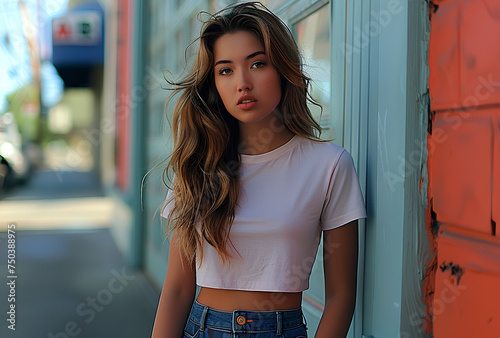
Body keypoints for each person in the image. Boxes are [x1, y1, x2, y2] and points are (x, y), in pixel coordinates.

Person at [151, 2, 366, 337]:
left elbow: (341, 295)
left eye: (257, 64)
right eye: (226, 70)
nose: (243, 83)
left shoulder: (329, 166)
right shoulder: (196, 166)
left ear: (282, 69)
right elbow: (178, 288)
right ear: (214, 84)